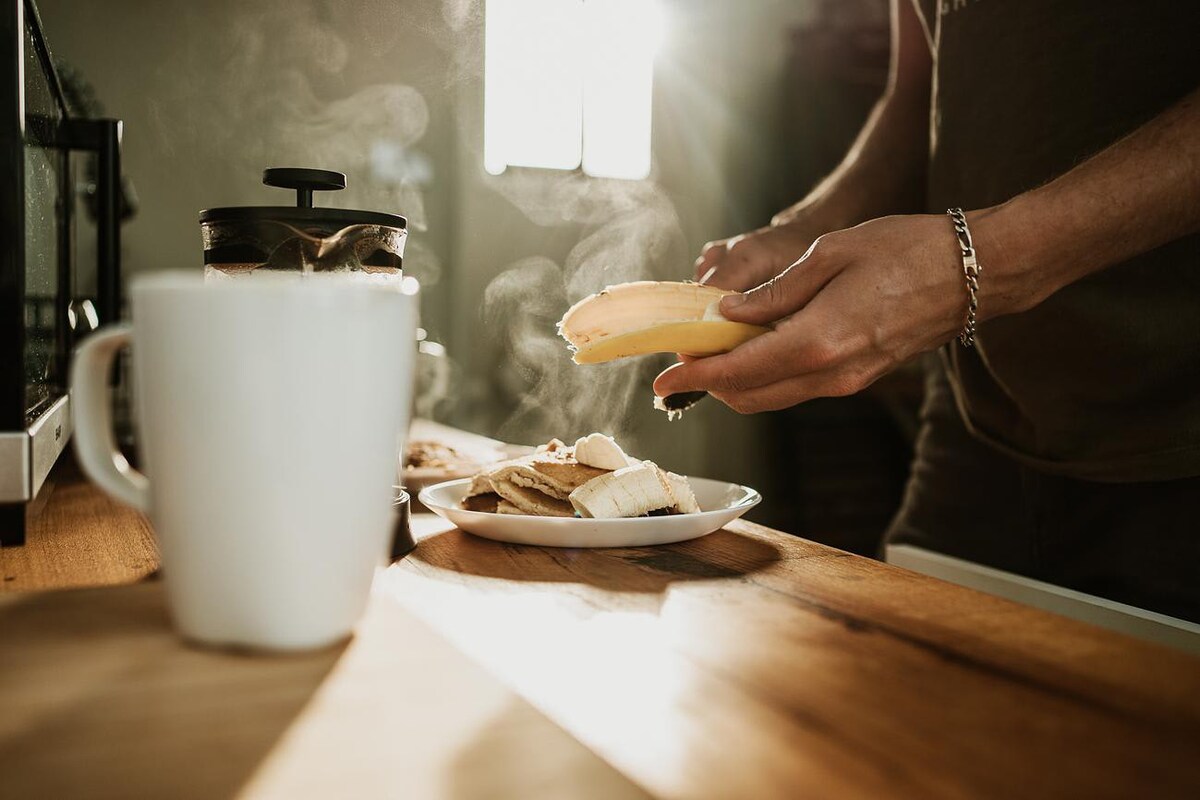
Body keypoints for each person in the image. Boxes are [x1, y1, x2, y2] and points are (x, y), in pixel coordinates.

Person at [653, 0, 1200, 622]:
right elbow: (919, 92)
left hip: (1177, 427)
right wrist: (805, 231)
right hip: (980, 414)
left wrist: (979, 262)